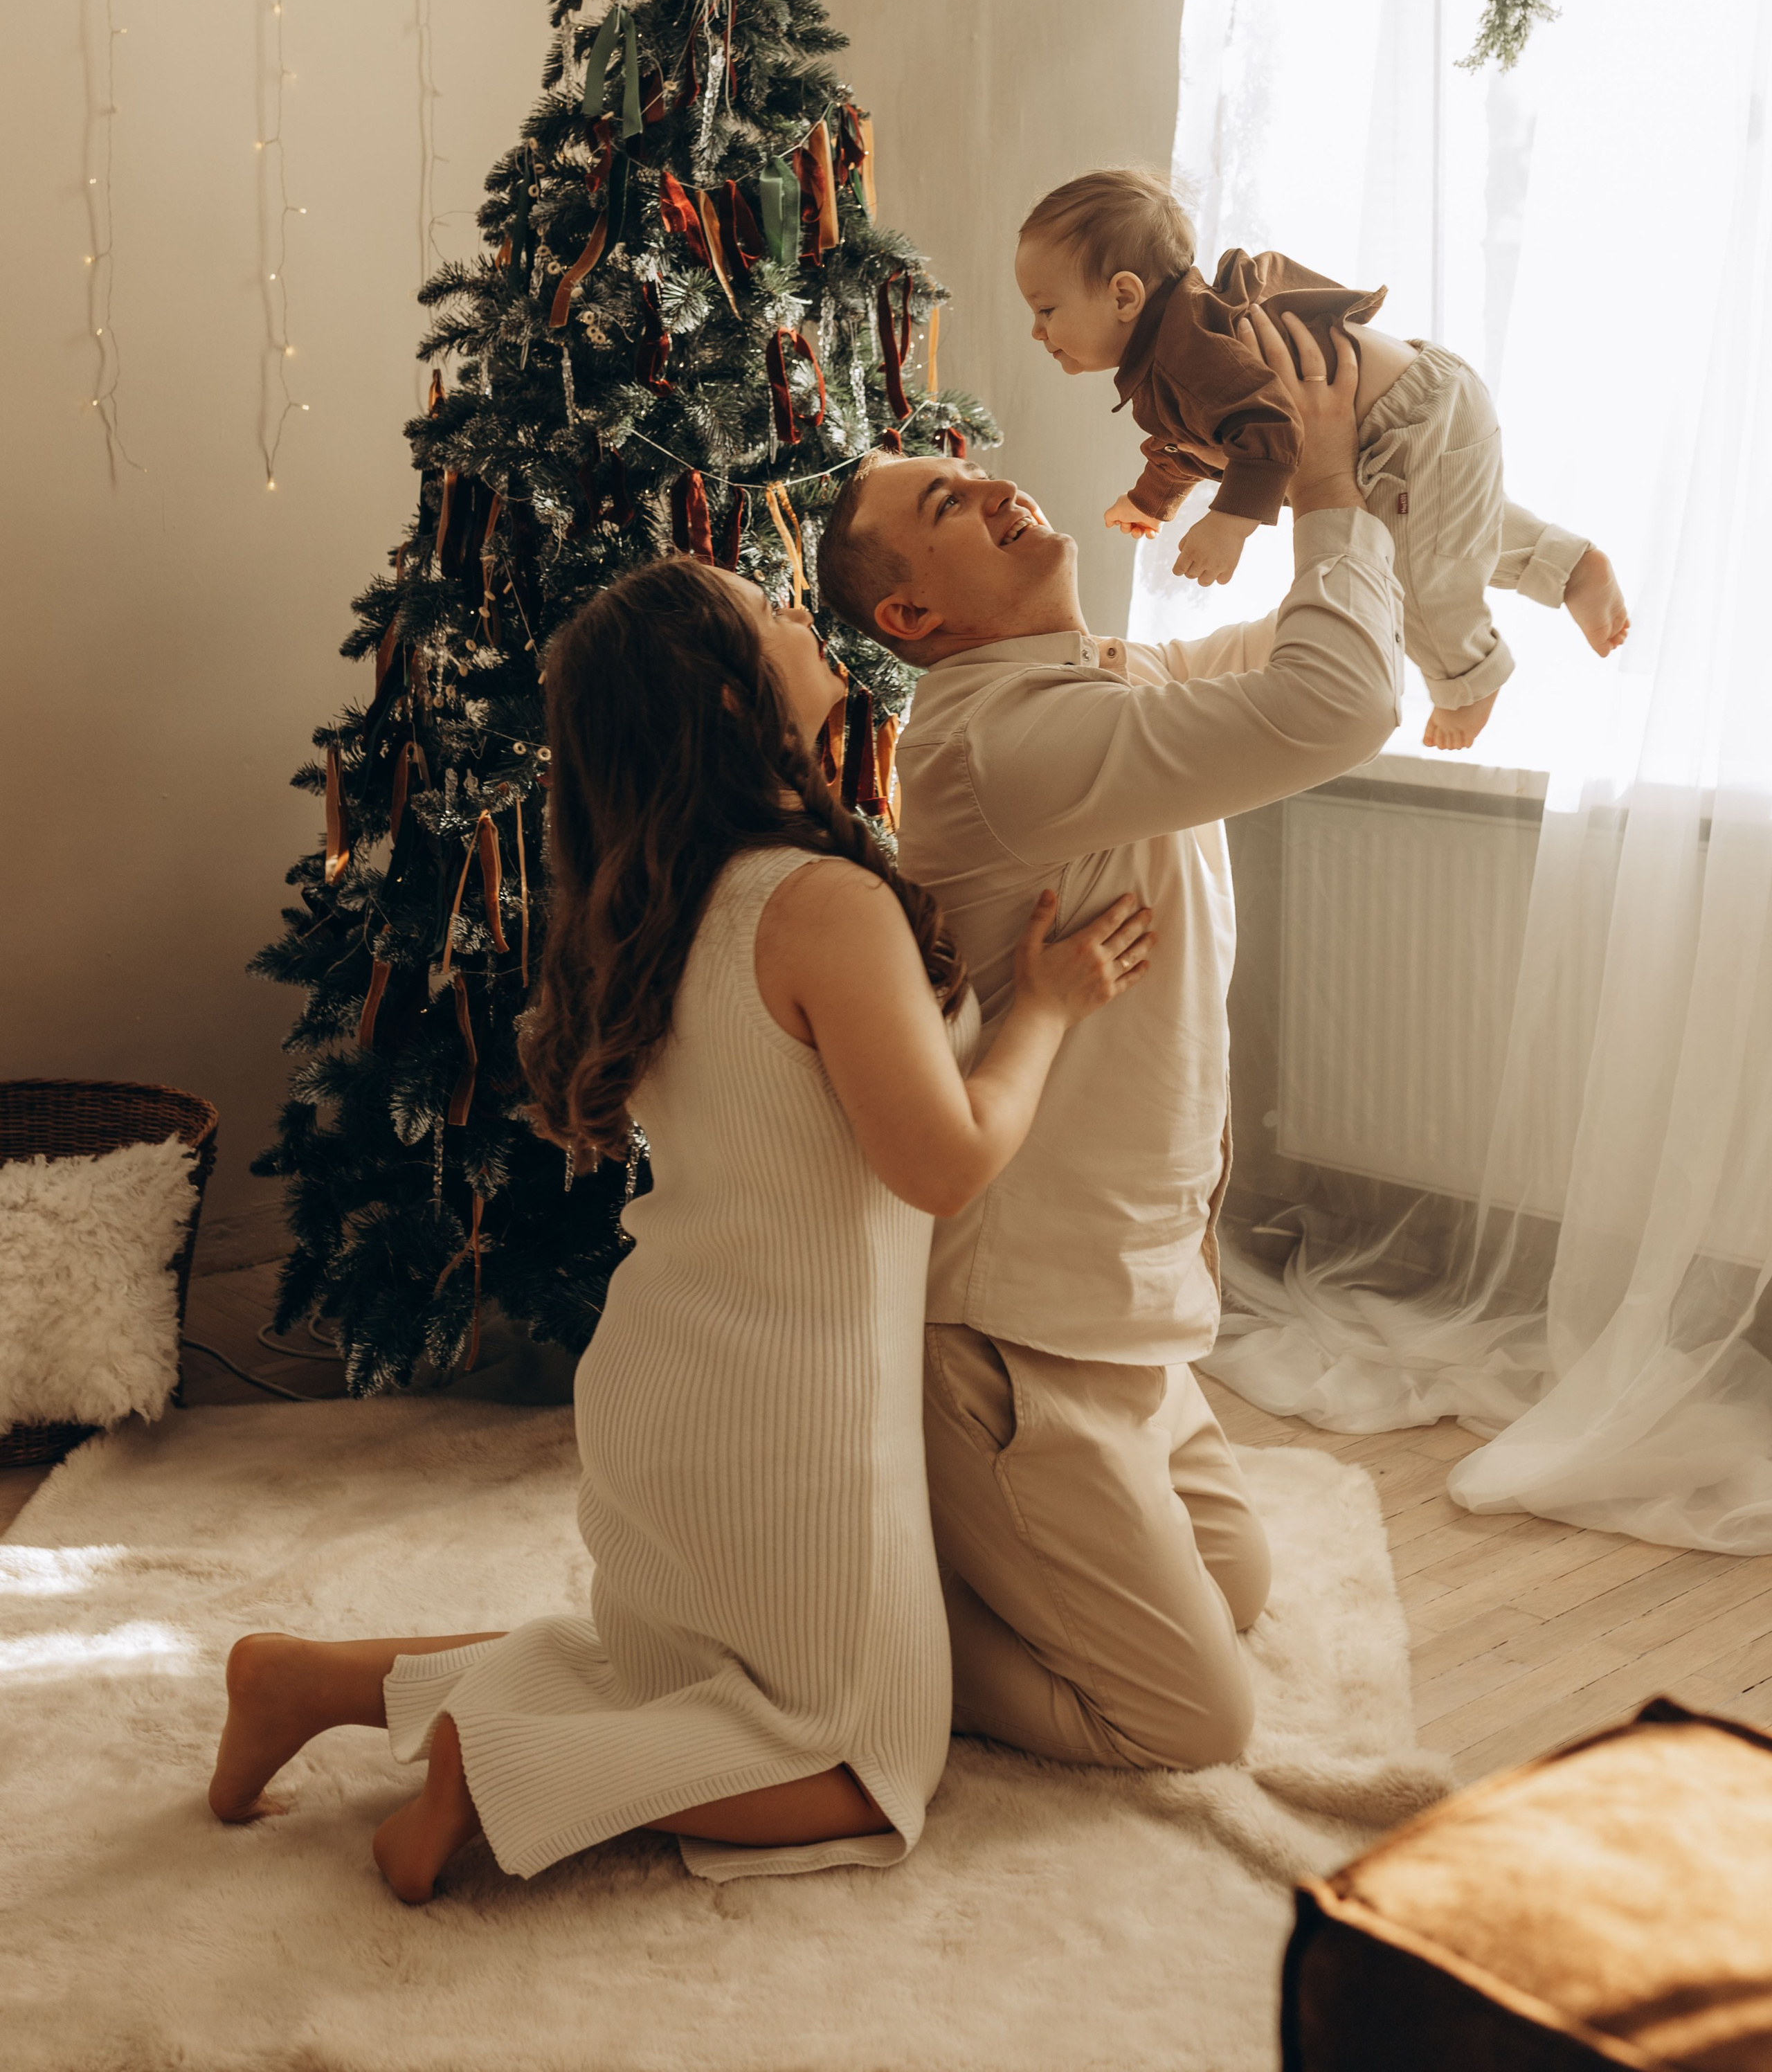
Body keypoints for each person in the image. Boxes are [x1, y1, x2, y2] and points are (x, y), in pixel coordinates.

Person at [206, 556, 1152, 1903]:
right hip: (795, 1413)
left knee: (658, 1672)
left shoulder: (654, 900)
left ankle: (307, 1681)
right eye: (770, 609)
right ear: (726, 693)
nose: (797, 610)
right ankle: (502, 1769)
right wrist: (1047, 1011)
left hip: (668, 1380)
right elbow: (942, 1168)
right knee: (875, 1754)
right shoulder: (822, 904)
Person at [815, 307, 1407, 1774]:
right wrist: (1326, 489)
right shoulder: (1000, 747)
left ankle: (961, 1549)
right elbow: (1332, 705)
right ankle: (849, 1634)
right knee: (1186, 1718)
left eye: (971, 468)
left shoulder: (1096, 686)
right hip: (1016, 1341)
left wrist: (1358, 454)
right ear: (912, 620)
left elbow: (1316, 651)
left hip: (1125, 1316)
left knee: (1235, 1590)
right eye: (944, 506)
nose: (991, 484)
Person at [1017, 166, 1629, 752]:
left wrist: (1230, 524)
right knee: (1449, 529)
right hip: (1424, 400)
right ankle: (1569, 568)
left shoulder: (1188, 352)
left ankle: (1469, 676)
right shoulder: (1178, 345)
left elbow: (1268, 427)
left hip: (1405, 426)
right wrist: (1150, 501)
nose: (1037, 332)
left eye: (1046, 310)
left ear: (1125, 295)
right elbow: (1198, 436)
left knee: (1409, 570)